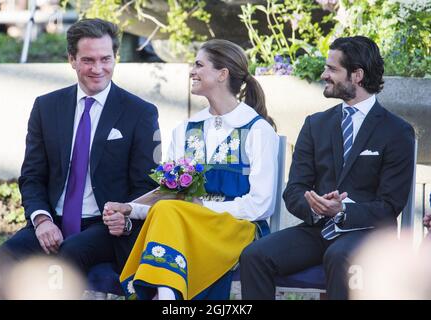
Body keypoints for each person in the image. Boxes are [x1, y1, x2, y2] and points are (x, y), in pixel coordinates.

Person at [239, 36, 416, 300]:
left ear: (357, 75)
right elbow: (295, 189)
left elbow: (390, 205)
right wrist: (314, 205)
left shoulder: (397, 131)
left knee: (339, 256)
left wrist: (343, 210)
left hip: (370, 235)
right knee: (254, 255)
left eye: (332, 69)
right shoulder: (315, 124)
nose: (324, 74)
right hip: (318, 229)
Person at [103, 39, 279, 300]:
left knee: (170, 213)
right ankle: (167, 296)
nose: (191, 71)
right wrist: (131, 208)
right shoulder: (185, 129)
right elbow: (169, 195)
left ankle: (166, 296)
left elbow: (261, 205)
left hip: (237, 228)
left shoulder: (257, 129)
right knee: (168, 210)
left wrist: (200, 209)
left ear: (222, 74)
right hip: (184, 224)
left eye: (199, 64)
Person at [0, 18, 160, 287]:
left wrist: (126, 218)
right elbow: (32, 176)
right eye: (88, 60)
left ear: (115, 57)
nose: (98, 69)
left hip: (106, 226)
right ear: (72, 59)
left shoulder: (140, 112)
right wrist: (41, 220)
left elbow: (145, 184)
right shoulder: (46, 107)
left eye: (106, 59)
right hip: (54, 220)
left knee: (70, 253)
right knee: (9, 253)